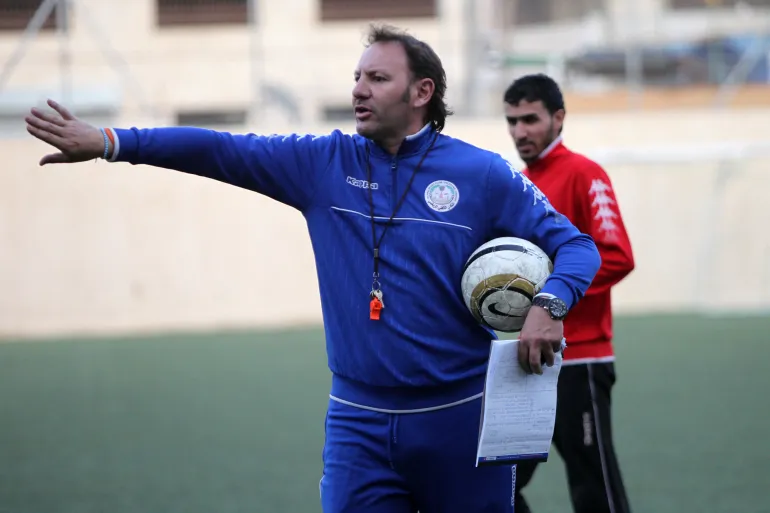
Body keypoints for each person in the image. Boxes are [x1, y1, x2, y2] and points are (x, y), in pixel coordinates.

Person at [25, 25, 601, 513]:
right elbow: (220, 150)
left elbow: (578, 247)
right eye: (357, 77)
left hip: (460, 419)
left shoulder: (483, 174)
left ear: (422, 91)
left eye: (377, 78)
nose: (358, 90)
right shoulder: (321, 162)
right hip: (359, 424)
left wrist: (549, 307)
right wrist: (109, 140)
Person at [503, 73, 635, 513]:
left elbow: (615, 255)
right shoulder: (517, 184)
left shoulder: (585, 173)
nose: (520, 131)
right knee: (492, 482)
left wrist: (549, 299)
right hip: (525, 361)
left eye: (530, 119)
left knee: (594, 488)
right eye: (512, 121)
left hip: (580, 361)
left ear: (558, 118)